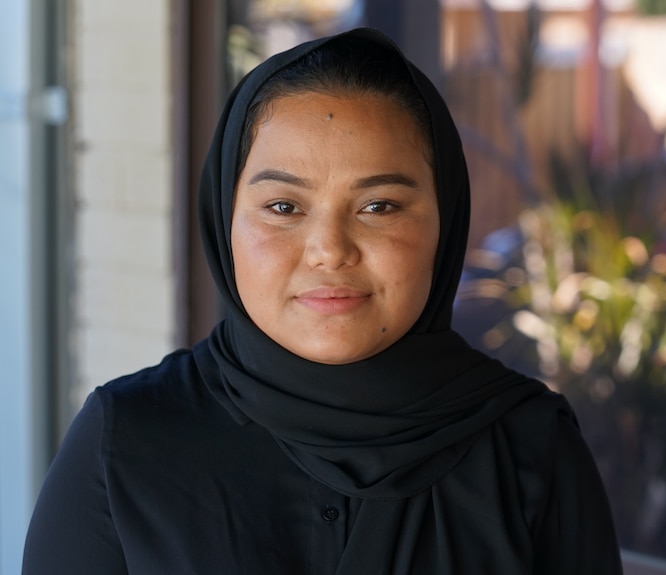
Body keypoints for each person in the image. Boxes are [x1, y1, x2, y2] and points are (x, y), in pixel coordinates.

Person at [23, 27, 622, 574]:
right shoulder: (126, 441)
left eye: (378, 207)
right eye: (283, 208)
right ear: (223, 222)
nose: (330, 251)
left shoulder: (530, 449)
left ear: (447, 220)